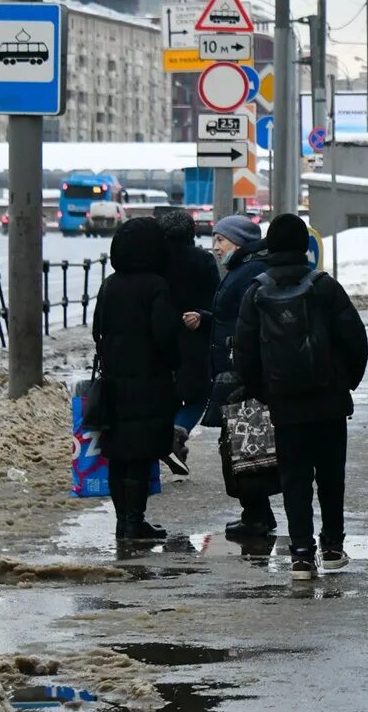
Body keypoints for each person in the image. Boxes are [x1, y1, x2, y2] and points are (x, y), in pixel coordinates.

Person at [235, 213, 368, 582]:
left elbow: (244, 352)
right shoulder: (325, 287)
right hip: (329, 402)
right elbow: (356, 340)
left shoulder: (256, 291)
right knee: (330, 476)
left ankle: (300, 556)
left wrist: (265, 392)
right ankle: (333, 547)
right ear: (304, 246)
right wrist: (346, 383)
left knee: (294, 478)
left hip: (284, 405)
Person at [92, 218, 180, 543]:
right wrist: (173, 364)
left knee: (118, 454)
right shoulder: (156, 286)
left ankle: (121, 523)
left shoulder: (110, 284)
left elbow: (97, 331)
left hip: (114, 383)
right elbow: (165, 335)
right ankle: (134, 523)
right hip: (149, 383)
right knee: (141, 456)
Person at [199, 214, 281, 537]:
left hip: (241, 374)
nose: (216, 247)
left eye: (221, 240)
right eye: (215, 240)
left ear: (240, 243)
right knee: (245, 445)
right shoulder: (242, 270)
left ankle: (257, 516)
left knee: (246, 447)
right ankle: (257, 513)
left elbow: (248, 323)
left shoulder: (249, 273)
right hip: (235, 370)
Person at [158, 208, 218, 477]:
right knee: (198, 396)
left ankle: (165, 438)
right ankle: (177, 433)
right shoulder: (203, 260)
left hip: (161, 337)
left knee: (166, 394)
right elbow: (216, 300)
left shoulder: (154, 261)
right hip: (194, 336)